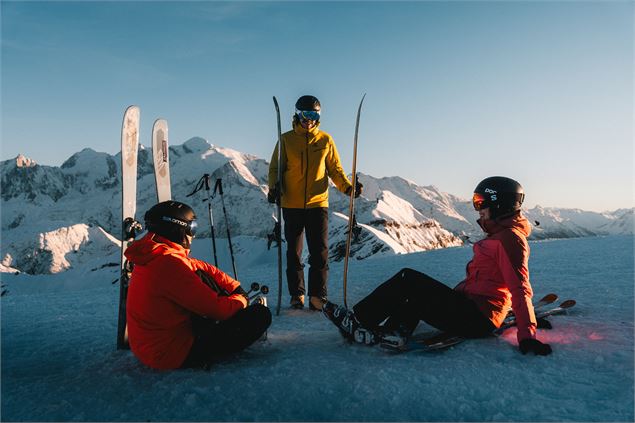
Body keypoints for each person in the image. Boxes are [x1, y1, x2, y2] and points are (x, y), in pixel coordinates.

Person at [323, 176, 553, 356]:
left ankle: (358, 320)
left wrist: (527, 334)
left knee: (408, 279)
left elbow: (519, 287)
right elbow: (491, 283)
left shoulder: (509, 238)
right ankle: (394, 332)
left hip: (477, 318)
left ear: (499, 205)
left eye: (481, 202)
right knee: (415, 296)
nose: (477, 208)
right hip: (474, 309)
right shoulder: (500, 235)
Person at [125, 201, 272, 370]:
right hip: (172, 354)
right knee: (260, 315)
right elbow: (219, 310)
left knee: (201, 276)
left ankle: (234, 308)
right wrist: (241, 299)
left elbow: (197, 266)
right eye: (191, 228)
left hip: (150, 348)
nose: (193, 235)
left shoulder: (155, 254)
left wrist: (234, 287)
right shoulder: (170, 265)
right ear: (176, 229)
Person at [268, 95, 362, 311]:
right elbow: (276, 169)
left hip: (318, 203)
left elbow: (335, 170)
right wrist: (274, 188)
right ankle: (297, 295)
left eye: (314, 115)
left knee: (319, 251)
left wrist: (348, 187)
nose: (309, 119)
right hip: (291, 204)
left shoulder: (326, 140)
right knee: (294, 251)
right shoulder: (285, 140)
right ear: (297, 114)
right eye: (305, 114)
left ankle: (317, 296)